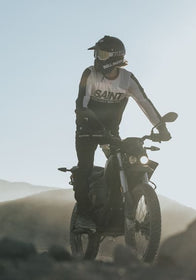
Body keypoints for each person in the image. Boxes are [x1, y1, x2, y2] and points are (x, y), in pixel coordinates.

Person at [74, 35, 171, 232]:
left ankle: (118, 210)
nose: (96, 58)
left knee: (125, 165)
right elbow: (81, 105)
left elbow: (145, 103)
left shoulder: (127, 79)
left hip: (111, 133)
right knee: (85, 168)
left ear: (115, 58)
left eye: (101, 54)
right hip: (87, 131)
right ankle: (84, 215)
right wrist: (87, 120)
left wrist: (161, 127)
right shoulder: (89, 74)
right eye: (96, 54)